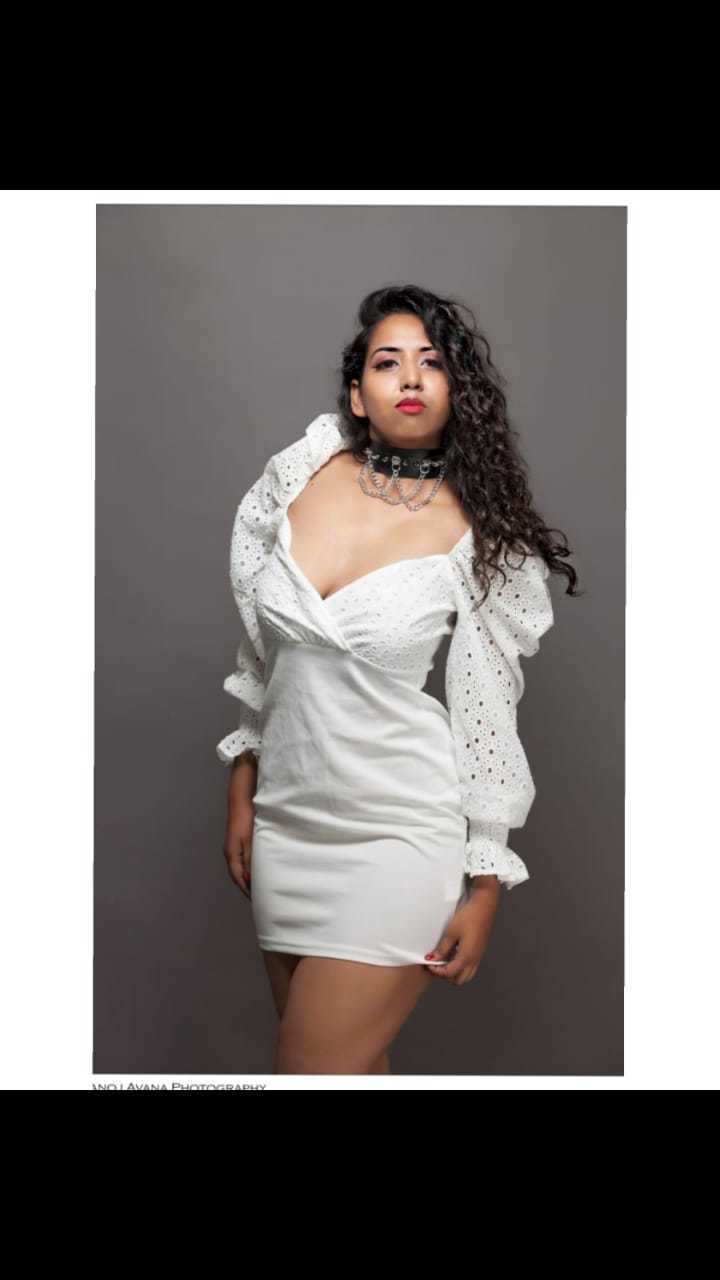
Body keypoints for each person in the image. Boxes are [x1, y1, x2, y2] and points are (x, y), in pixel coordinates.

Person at [217, 284, 579, 1076]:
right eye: (388, 362)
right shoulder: (299, 475)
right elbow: (263, 653)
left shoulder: (479, 532)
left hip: (399, 833)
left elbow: (488, 709)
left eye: (432, 363)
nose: (410, 378)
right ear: (358, 393)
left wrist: (485, 880)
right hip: (286, 826)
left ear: (456, 391)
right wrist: (244, 782)